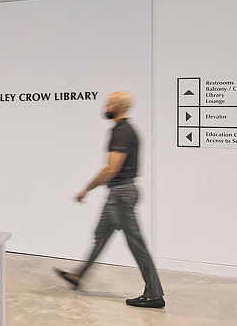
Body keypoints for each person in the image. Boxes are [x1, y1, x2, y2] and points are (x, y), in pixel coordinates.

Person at [55, 91, 165, 309]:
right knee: (100, 236)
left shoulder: (122, 132)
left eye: (109, 103)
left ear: (120, 107)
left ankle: (154, 294)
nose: (105, 106)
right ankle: (78, 276)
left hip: (122, 195)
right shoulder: (122, 130)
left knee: (137, 245)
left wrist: (86, 189)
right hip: (118, 193)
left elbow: (111, 168)